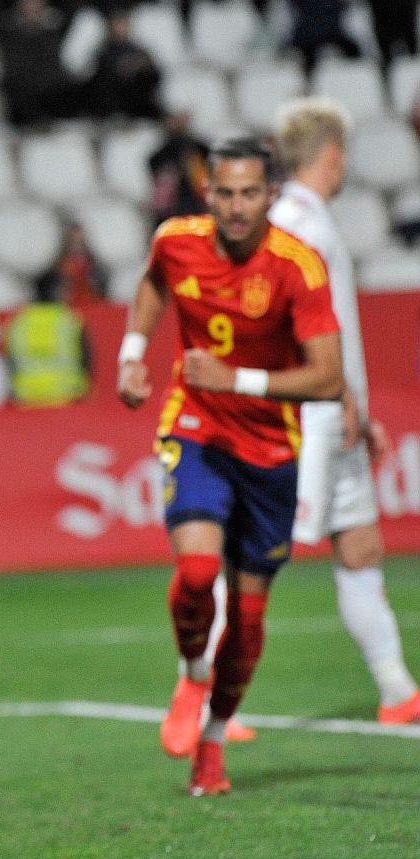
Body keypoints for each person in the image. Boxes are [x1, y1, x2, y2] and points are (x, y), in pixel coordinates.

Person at [116, 137, 344, 797]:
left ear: (271, 195)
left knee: (246, 620)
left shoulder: (297, 267)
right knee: (195, 570)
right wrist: (135, 351)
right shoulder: (177, 240)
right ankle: (192, 673)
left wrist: (237, 376)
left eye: (250, 193)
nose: (237, 207)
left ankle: (212, 748)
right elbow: (155, 282)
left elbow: (328, 378)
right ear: (208, 192)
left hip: (272, 450)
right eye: (225, 193)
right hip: (198, 429)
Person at [268, 98, 420, 724]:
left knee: (356, 543)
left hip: (326, 406)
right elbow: (302, 325)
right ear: (333, 156)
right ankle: (200, 696)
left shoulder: (287, 222)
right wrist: (342, 396)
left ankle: (396, 690)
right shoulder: (306, 228)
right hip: (316, 410)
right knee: (258, 550)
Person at [0, 0, 80, 129]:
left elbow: (56, 66)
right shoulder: (8, 30)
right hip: (21, 100)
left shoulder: (55, 29)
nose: (33, 6)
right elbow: (12, 68)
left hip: (51, 96)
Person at [5, 291, 89, 408]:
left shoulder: (19, 322)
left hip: (26, 398)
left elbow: (9, 361)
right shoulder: (68, 319)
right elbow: (87, 358)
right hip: (67, 397)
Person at [85, 8, 162, 121]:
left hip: (138, 102)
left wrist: (142, 65)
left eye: (125, 24)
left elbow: (155, 74)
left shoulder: (139, 50)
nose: (122, 28)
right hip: (113, 103)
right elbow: (106, 73)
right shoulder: (104, 51)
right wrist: (127, 65)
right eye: (119, 24)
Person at [147, 112, 211, 230]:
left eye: (180, 117)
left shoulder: (202, 150)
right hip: (173, 215)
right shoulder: (159, 157)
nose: (177, 122)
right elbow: (161, 198)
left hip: (200, 211)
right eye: (173, 117)